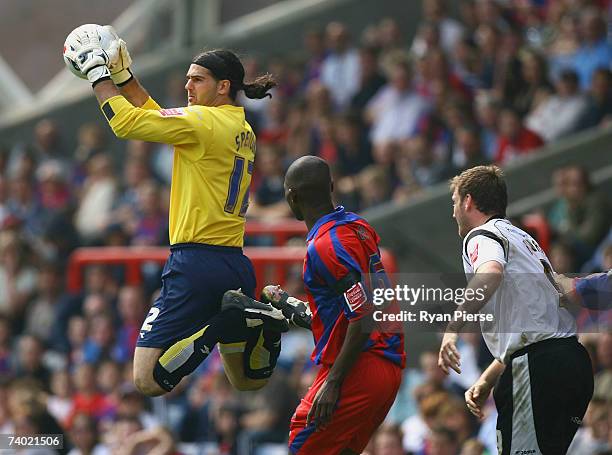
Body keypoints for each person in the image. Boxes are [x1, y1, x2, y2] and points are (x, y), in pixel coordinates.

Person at [65, 25, 296, 397]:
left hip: (194, 263)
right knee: (249, 380)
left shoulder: (203, 122)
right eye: (188, 79)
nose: (188, 87)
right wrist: (126, 78)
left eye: (198, 80)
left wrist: (99, 74)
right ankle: (259, 315)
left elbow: (125, 124)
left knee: (147, 379)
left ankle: (234, 319)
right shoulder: (240, 126)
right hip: (234, 262)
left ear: (224, 86)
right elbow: (159, 116)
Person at [438, 165, 593, 454]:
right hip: (571, 362)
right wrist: (487, 379)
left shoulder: (481, 235)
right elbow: (532, 326)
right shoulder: (524, 240)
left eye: (454, 203)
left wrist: (452, 330)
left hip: (538, 367)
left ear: (468, 201)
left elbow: (491, 273)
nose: (453, 213)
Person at [280, 156, 405, 454]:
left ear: (291, 197)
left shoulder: (324, 246)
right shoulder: (359, 227)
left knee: (301, 443)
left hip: (359, 366)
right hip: (388, 365)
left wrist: (333, 383)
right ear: (332, 187)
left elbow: (361, 315)